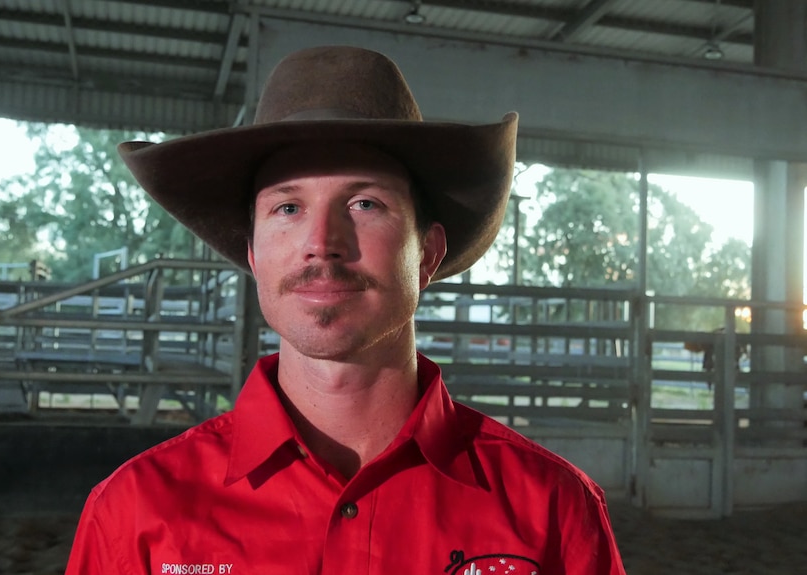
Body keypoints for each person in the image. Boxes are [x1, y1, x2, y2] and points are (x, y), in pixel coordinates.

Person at [65, 45, 625, 575]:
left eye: (365, 203)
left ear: (426, 253)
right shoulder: (135, 512)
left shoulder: (553, 508)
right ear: (255, 257)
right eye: (288, 206)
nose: (321, 242)